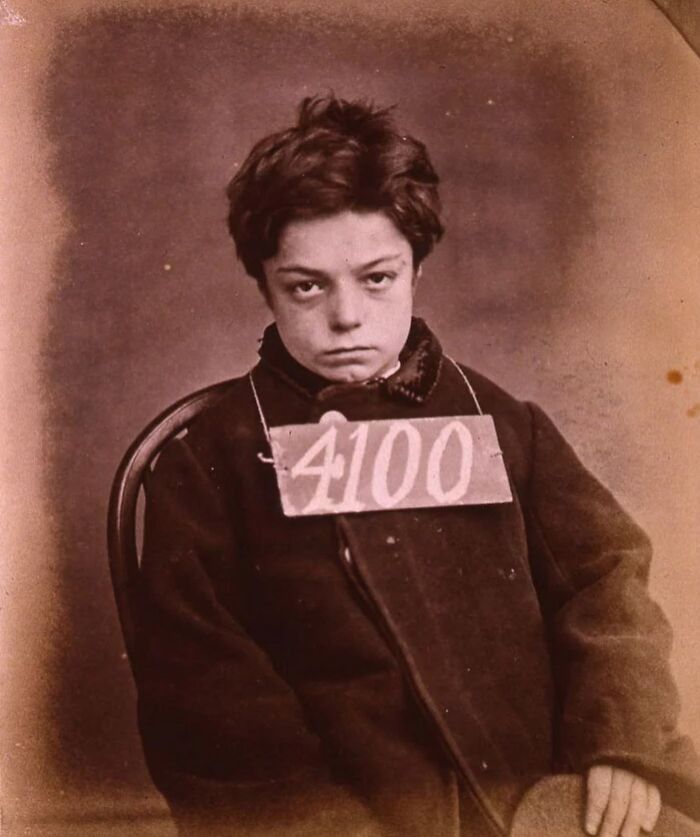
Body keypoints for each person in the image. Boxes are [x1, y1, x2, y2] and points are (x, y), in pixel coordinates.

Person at [133, 95, 700, 837]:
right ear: (265, 283)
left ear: (415, 271)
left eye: (377, 278)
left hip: (548, 795)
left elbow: (607, 582)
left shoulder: (501, 420)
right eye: (308, 285)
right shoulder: (209, 460)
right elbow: (207, 691)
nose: (347, 318)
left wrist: (617, 746)